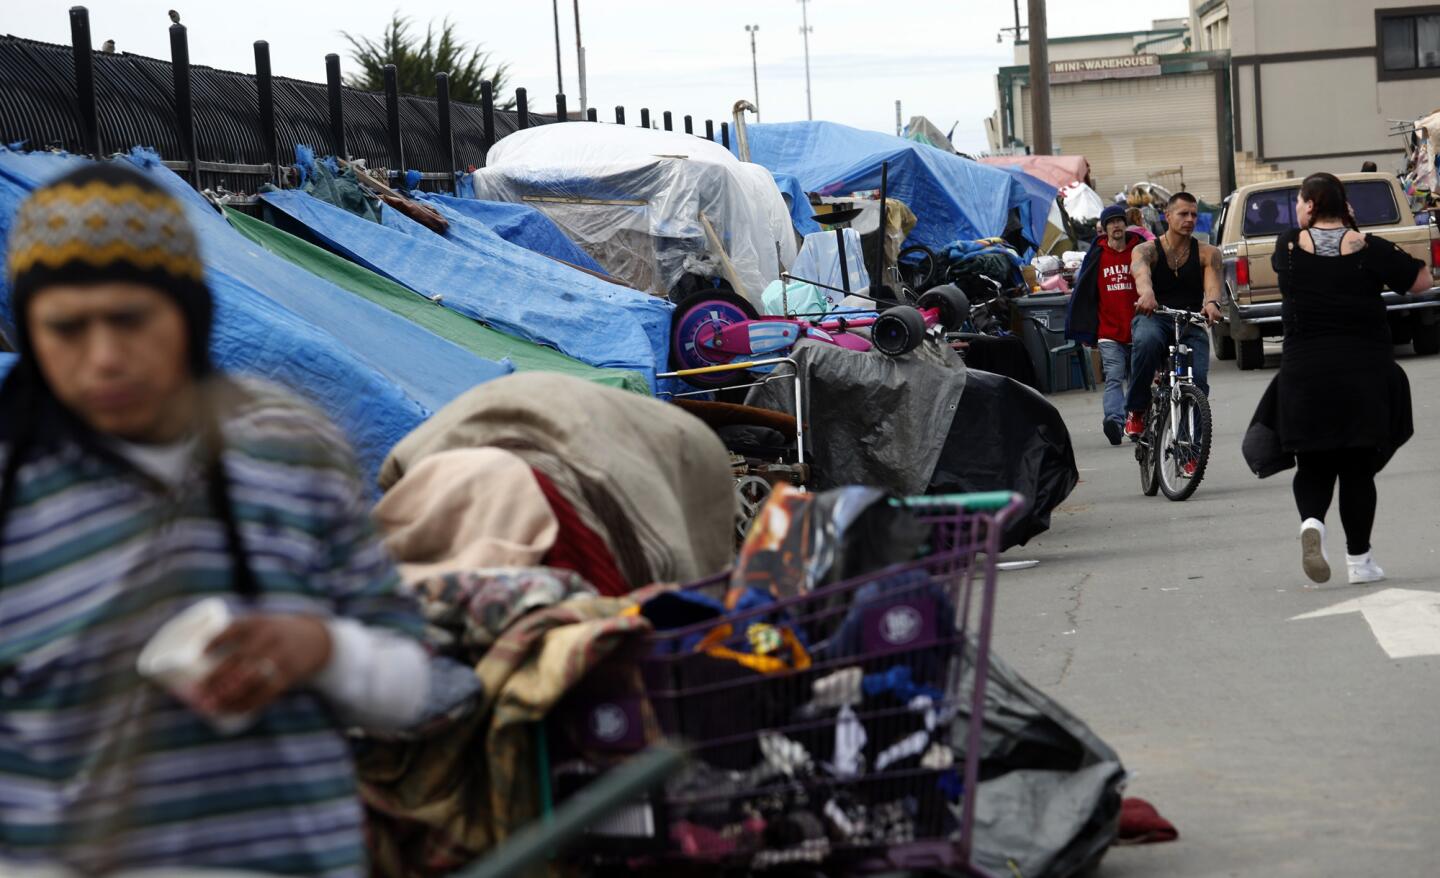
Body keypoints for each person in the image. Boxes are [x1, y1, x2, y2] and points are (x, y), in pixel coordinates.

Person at [0, 163, 431, 875]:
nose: (104, 358)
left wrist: (320, 649)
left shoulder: (290, 448)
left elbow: (409, 685)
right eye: (67, 329)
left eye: (131, 320)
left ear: (190, 312)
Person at [1246, 172, 1427, 584]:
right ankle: (1360, 563)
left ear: (1310, 205)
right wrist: (1357, 230)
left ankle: (1312, 522)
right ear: (1345, 207)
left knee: (1312, 464)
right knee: (1358, 470)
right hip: (1363, 374)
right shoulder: (1369, 248)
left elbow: (1302, 261)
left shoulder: (1288, 246)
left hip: (1305, 374)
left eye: (1299, 202)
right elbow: (1421, 282)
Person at [1124, 193, 1226, 453]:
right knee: (1146, 343)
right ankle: (1137, 409)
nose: (1189, 219)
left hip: (1190, 321)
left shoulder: (1208, 252)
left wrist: (1212, 303)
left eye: (1193, 214)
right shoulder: (1146, 249)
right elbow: (1141, 272)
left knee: (1198, 383)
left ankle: (1189, 447)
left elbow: (1213, 286)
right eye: (1183, 214)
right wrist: (1146, 293)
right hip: (1155, 317)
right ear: (1167, 216)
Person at [1066, 205, 1147, 444]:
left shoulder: (1139, 250)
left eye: (1119, 221)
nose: (1116, 225)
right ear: (1104, 228)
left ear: (1125, 224)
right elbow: (1085, 291)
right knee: (1114, 376)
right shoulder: (1097, 254)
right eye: (1110, 222)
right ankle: (1114, 420)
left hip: (1140, 329)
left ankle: (1136, 421)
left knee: (1137, 379)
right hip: (1109, 332)